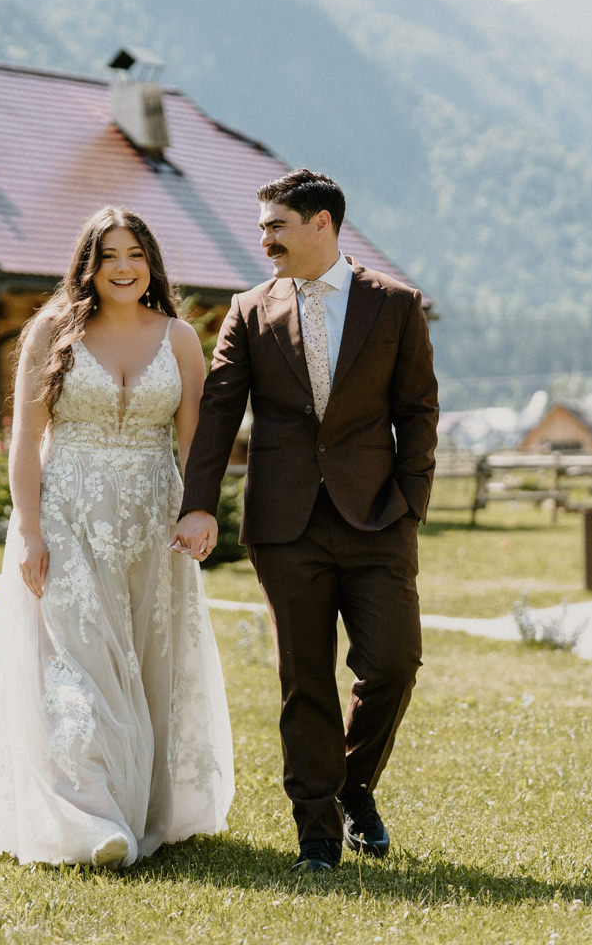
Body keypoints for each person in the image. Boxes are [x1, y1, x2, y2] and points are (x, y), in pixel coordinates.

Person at [0, 207, 233, 868]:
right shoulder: (52, 331)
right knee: (78, 662)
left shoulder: (179, 338)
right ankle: (88, 817)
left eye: (134, 254)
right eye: (108, 256)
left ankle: (138, 805)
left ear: (150, 262)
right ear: (87, 266)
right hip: (66, 516)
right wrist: (31, 530)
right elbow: (24, 442)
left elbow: (197, 441)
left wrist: (200, 511)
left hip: (154, 525)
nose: (122, 268)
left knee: (147, 664)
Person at [172, 169, 438, 872]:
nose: (264, 241)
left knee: (393, 665)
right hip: (285, 523)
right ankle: (316, 837)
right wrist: (199, 499)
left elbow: (418, 411)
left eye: (275, 227)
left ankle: (353, 784)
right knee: (305, 680)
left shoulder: (398, 306)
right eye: (263, 228)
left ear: (321, 223)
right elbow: (221, 411)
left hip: (378, 518)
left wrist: (411, 498)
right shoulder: (248, 310)